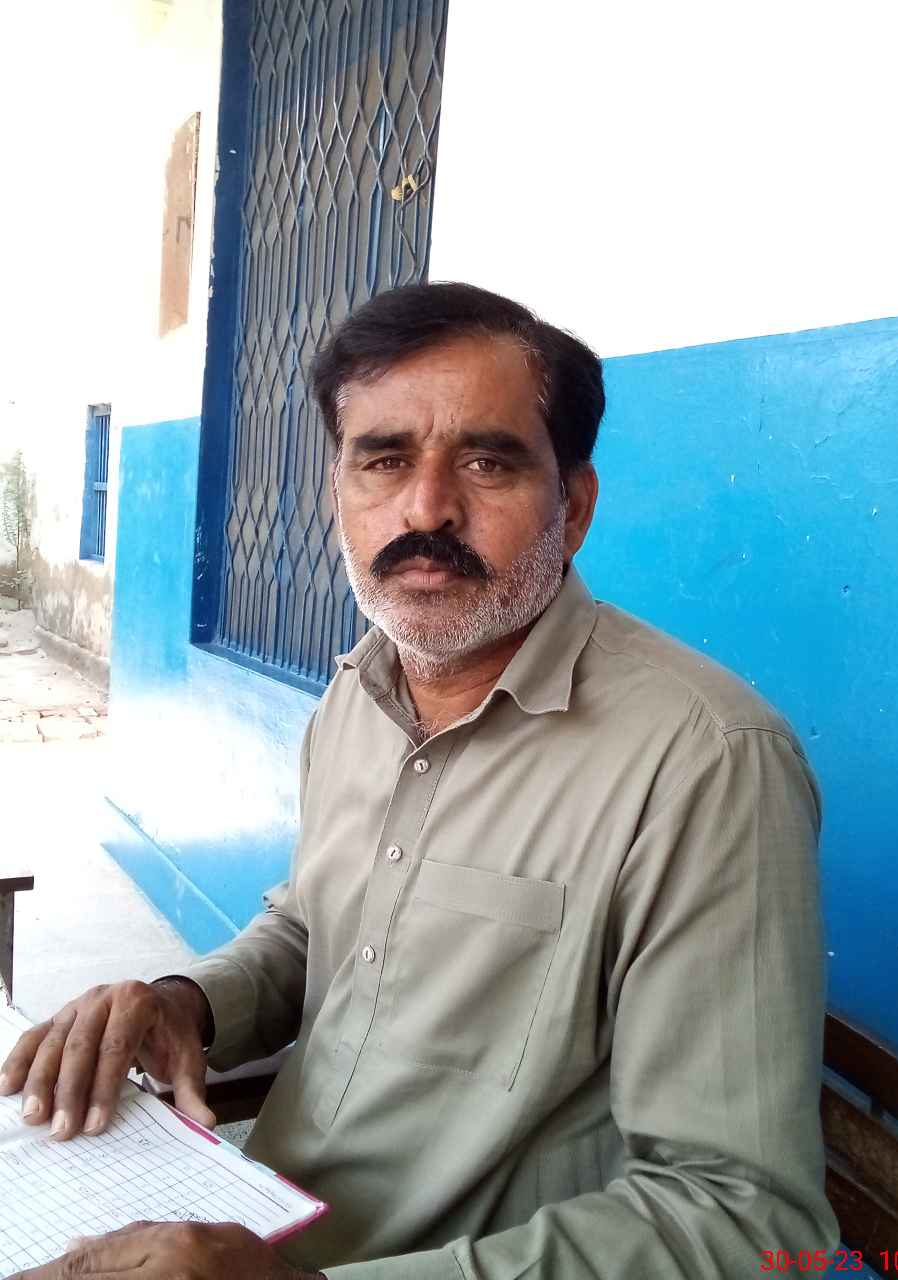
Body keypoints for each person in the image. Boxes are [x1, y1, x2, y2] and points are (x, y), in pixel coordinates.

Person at [0, 282, 840, 1279]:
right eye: (384, 459)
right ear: (338, 496)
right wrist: (190, 1002)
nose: (427, 506)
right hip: (256, 1207)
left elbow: (744, 1218)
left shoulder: (706, 761)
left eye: (488, 461)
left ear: (573, 508)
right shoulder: (359, 692)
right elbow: (315, 926)